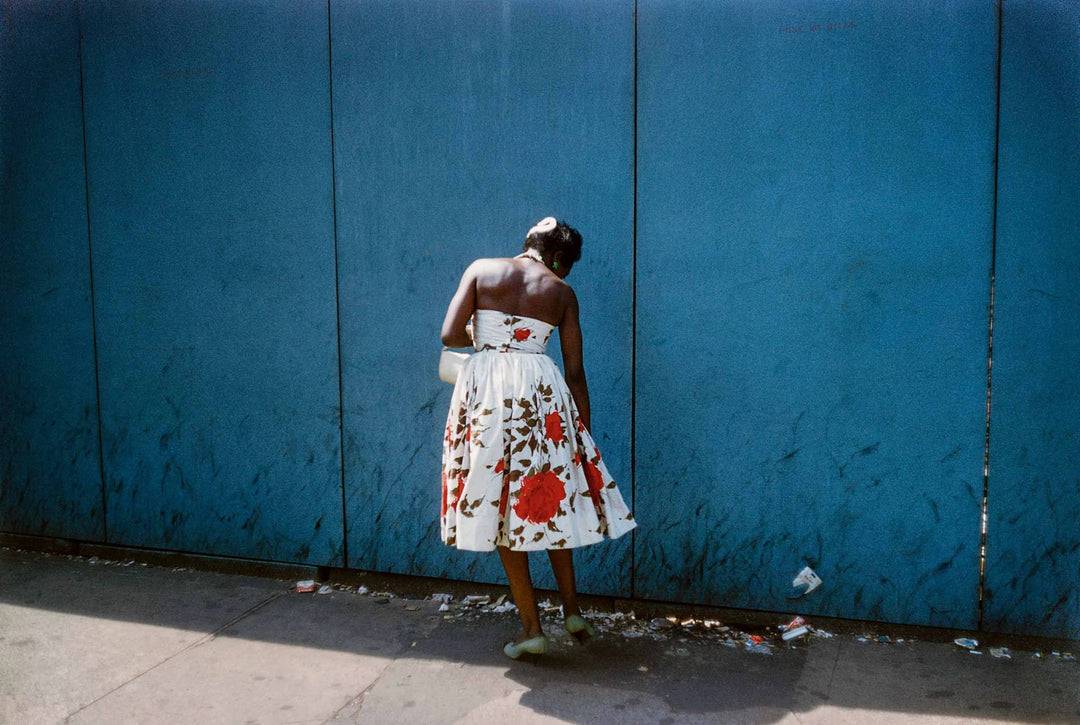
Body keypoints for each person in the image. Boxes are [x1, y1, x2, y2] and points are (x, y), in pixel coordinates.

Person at [440, 216, 637, 660]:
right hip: (542, 398)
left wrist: (486, 336)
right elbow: (575, 371)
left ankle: (532, 628)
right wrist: (580, 431)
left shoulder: (481, 270)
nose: (565, 273)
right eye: (567, 265)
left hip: (489, 397)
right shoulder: (562, 292)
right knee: (548, 500)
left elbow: (450, 334)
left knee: (501, 505)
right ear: (558, 258)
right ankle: (572, 611)